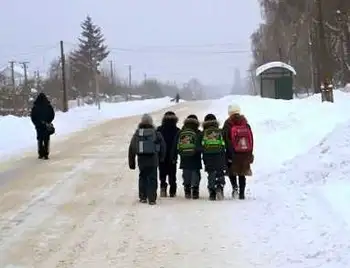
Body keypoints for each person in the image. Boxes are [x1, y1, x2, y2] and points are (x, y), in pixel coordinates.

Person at [128, 113, 166, 205]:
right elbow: (163, 146)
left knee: (142, 177)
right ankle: (152, 199)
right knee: (152, 178)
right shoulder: (156, 133)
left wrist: (131, 162)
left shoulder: (138, 133)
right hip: (153, 159)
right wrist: (161, 158)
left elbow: (132, 148)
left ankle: (143, 197)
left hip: (142, 160)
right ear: (151, 122)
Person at [223, 104, 254, 199]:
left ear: (230, 113)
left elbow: (225, 139)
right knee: (242, 173)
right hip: (244, 152)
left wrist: (229, 152)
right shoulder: (245, 123)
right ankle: (242, 193)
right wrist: (250, 153)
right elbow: (251, 139)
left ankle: (235, 188)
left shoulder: (228, 124)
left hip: (232, 152)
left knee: (232, 171)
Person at [172, 114, 202, 199]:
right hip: (195, 156)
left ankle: (187, 189)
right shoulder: (198, 132)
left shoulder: (181, 132)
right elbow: (201, 145)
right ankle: (195, 190)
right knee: (195, 172)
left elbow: (175, 145)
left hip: (184, 156)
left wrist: (174, 156)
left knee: (186, 172)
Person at [201, 113, 226, 200]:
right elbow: (225, 143)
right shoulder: (220, 131)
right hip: (220, 154)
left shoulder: (204, 132)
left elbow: (199, 146)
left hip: (208, 155)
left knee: (211, 172)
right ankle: (219, 187)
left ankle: (212, 192)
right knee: (219, 171)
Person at [157, 111, 180, 197]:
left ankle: (163, 187)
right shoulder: (177, 130)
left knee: (162, 172)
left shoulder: (159, 129)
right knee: (172, 173)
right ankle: (172, 190)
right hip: (172, 155)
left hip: (161, 155)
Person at [30, 92, 55, 160]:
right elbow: (52, 115)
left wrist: (36, 123)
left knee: (40, 139)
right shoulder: (48, 106)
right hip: (46, 126)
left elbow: (32, 117)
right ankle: (46, 154)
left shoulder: (35, 107)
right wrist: (48, 122)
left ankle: (40, 154)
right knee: (46, 139)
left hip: (39, 126)